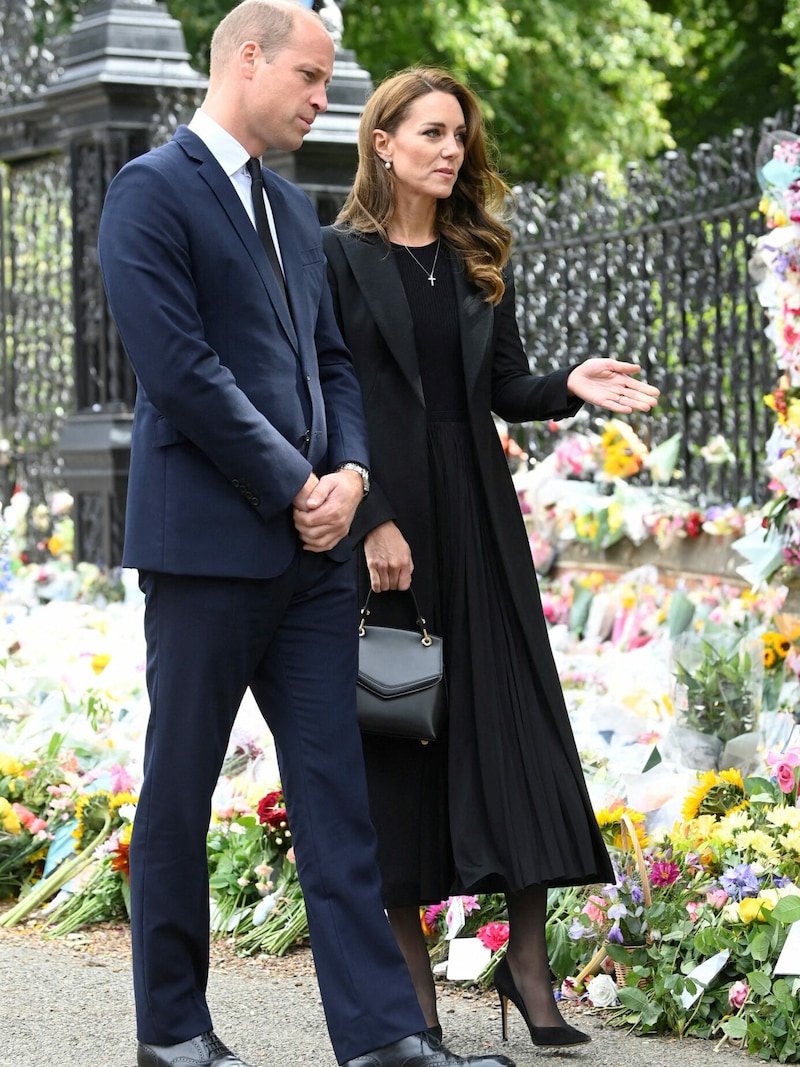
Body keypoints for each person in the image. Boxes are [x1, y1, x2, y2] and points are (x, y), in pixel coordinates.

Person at [97, 8, 515, 1067]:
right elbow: (180, 367)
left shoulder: (292, 203)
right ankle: (175, 1029)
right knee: (180, 787)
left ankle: (380, 1038)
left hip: (313, 559)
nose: (321, 97)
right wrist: (295, 482)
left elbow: (334, 363)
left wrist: (352, 477)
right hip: (203, 551)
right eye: (311, 76)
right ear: (247, 58)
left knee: (339, 799)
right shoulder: (149, 191)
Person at [322, 68, 660, 1050]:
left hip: (480, 528)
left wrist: (569, 383)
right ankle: (413, 999)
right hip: (390, 544)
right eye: (429, 132)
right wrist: (372, 517)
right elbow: (325, 398)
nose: (448, 149)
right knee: (399, 742)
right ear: (381, 141)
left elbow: (504, 384)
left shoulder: (473, 257)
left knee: (513, 735)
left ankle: (525, 966)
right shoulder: (335, 258)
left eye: (457, 137)